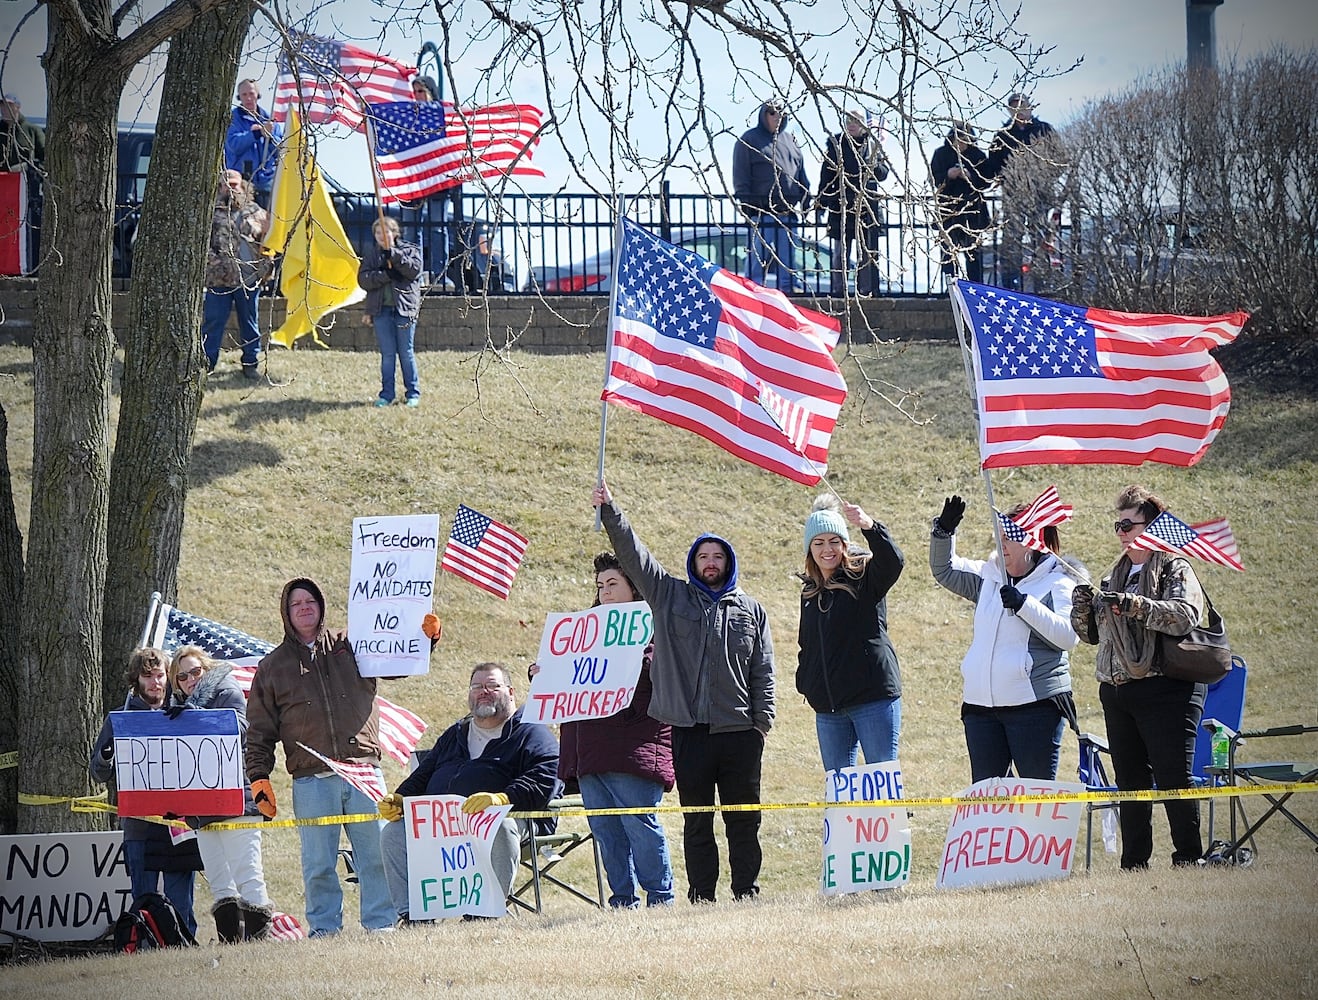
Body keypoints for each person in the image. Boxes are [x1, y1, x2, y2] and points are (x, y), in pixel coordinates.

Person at [593, 479, 774, 904]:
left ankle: (746, 891)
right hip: (688, 732)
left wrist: (761, 723)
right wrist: (610, 511)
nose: (710, 563)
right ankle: (702, 896)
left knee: (744, 820)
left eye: (718, 557)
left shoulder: (751, 610)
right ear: (693, 562)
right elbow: (634, 556)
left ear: (729, 563)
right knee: (697, 821)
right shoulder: (669, 594)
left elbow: (763, 669)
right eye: (703, 556)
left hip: (740, 731)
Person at [245, 578, 396, 936]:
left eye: (310, 600)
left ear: (322, 605)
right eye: (296, 603)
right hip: (311, 779)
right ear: (286, 612)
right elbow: (260, 731)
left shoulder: (353, 645)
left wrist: (425, 638)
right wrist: (259, 778)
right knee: (318, 863)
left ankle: (381, 925)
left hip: (363, 771)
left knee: (375, 855)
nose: (304, 607)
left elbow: (397, 661)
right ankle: (325, 930)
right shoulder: (273, 667)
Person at [1070, 485, 1209, 869]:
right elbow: (1090, 636)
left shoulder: (1174, 567)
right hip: (1117, 690)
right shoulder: (1112, 575)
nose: (1121, 532)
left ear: (1153, 527)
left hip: (1166, 686)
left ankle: (1188, 856)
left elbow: (1183, 616)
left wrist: (1134, 605)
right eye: (1118, 525)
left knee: (1172, 777)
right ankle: (1134, 862)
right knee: (1130, 780)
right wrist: (1082, 608)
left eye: (1128, 524)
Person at [530, 552, 675, 908]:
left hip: (634, 749)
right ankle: (622, 902)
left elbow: (664, 679)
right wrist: (545, 674)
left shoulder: (655, 631)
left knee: (641, 828)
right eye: (600, 586)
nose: (605, 592)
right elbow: (572, 679)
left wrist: (640, 661)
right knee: (607, 834)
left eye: (613, 584)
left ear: (634, 587)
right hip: (590, 752)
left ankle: (661, 898)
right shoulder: (583, 635)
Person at [377, 662, 561, 923]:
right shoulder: (456, 733)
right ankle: (413, 915)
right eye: (477, 687)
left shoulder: (530, 731)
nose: (483, 692)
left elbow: (546, 774)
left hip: (503, 819)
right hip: (443, 827)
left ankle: (487, 912)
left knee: (502, 826)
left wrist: (503, 799)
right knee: (393, 832)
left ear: (511, 692)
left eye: (492, 686)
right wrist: (400, 798)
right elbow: (423, 775)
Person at [929, 495, 1079, 782]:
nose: (1002, 545)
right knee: (989, 803)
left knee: (1036, 800)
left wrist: (1024, 605)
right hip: (980, 709)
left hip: (1034, 709)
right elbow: (944, 570)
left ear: (1033, 542)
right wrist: (943, 533)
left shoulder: (1058, 581)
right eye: (999, 537)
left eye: (1009, 538)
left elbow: (1068, 637)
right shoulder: (989, 575)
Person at [90, 648, 204, 936]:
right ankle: (144, 948)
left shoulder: (182, 711)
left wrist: (194, 718)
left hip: (179, 825)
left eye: (160, 675)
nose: (155, 682)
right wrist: (107, 755)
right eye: (147, 676)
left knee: (181, 906)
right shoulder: (120, 719)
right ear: (135, 680)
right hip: (139, 827)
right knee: (143, 903)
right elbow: (97, 772)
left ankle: (185, 951)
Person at [167, 645, 273, 943]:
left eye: (195, 672)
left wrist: (193, 716)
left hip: (236, 799)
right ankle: (231, 944)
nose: (190, 680)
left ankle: (258, 945)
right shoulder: (176, 709)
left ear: (208, 668)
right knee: (219, 882)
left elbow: (237, 729)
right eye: (181, 677)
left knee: (248, 875)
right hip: (201, 807)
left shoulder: (228, 692)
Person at [796, 495, 904, 773]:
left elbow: (893, 561)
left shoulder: (864, 577)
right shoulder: (809, 591)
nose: (827, 549)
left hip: (872, 700)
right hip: (829, 709)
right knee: (839, 792)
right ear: (810, 549)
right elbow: (806, 645)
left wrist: (869, 526)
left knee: (882, 785)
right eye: (818, 543)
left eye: (834, 541)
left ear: (844, 544)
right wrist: (807, 682)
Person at [732, 96, 812, 293]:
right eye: (772, 112)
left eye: (782, 112)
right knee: (757, 261)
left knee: (788, 262)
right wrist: (748, 207)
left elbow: (801, 175)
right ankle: (753, 294)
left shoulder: (791, 141)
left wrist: (807, 201)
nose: (778, 116)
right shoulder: (748, 140)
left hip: (788, 213)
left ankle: (790, 294)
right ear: (763, 114)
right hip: (761, 213)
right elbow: (741, 177)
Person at [983, 93, 1059, 291]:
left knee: (1040, 240)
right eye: (1014, 107)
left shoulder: (1044, 130)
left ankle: (1043, 288)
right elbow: (993, 164)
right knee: (1012, 242)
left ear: (1030, 107)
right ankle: (1010, 288)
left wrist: (1044, 177)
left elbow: (1060, 158)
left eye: (1022, 106)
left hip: (1040, 194)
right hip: (1013, 195)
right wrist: (1002, 177)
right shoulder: (1003, 135)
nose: (1019, 111)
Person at [202, 169, 270, 379]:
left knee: (250, 323)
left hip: (248, 279)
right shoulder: (210, 213)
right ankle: (207, 364)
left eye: (235, 185)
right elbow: (203, 246)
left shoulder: (256, 212)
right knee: (213, 322)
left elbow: (267, 243)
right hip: (218, 280)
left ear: (242, 186)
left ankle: (251, 363)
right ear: (219, 187)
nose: (231, 189)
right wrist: (214, 263)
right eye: (226, 185)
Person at [817, 108, 890, 296]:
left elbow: (883, 174)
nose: (851, 124)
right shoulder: (836, 144)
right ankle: (839, 290)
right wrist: (822, 202)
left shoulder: (873, 145)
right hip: (841, 206)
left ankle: (865, 290)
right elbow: (826, 176)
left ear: (864, 124)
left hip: (867, 208)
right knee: (840, 253)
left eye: (856, 120)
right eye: (848, 119)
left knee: (866, 254)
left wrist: (871, 165)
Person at [358, 216, 424, 408]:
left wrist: (393, 256)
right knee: (388, 354)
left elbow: (413, 270)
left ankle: (412, 392)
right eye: (377, 232)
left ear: (394, 233)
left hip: (404, 309)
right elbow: (363, 279)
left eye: (385, 231)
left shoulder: (410, 250)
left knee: (406, 352)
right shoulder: (372, 255)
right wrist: (384, 276)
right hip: (381, 310)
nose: (381, 236)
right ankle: (387, 394)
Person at [930, 121, 991, 285]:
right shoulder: (941, 154)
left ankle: (975, 289)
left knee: (974, 255)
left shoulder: (978, 156)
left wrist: (970, 177)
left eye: (965, 139)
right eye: (959, 138)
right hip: (948, 210)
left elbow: (987, 181)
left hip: (973, 211)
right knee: (948, 254)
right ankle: (950, 290)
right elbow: (934, 178)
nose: (962, 143)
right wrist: (949, 175)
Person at [224, 79, 282, 209]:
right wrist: (256, 134)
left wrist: (270, 136)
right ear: (239, 97)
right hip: (240, 182)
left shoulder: (271, 119)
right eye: (244, 95)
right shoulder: (232, 118)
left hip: (267, 182)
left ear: (257, 94)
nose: (248, 98)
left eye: (251, 93)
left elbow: (281, 150)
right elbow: (233, 145)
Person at [0, 93, 44, 173]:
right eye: (2, 106)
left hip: (25, 182)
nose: (4, 109)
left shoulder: (32, 131)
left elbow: (45, 159)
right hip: (3, 182)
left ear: (18, 107)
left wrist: (28, 167)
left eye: (9, 105)